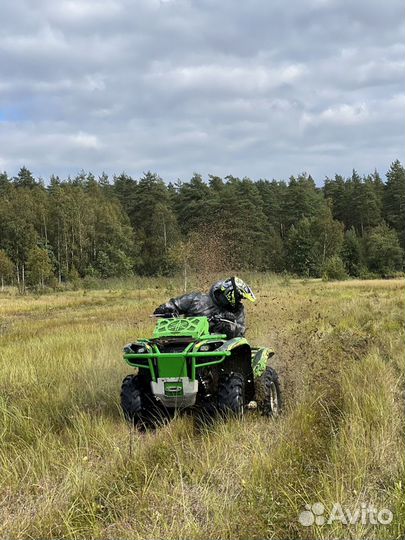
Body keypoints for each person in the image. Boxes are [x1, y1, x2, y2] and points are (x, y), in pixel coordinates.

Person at [153, 276, 256, 338]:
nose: (239, 301)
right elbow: (175, 304)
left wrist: (228, 326)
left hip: (216, 347)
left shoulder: (236, 311)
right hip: (186, 339)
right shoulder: (197, 299)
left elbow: (241, 334)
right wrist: (165, 309)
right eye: (239, 297)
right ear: (231, 294)